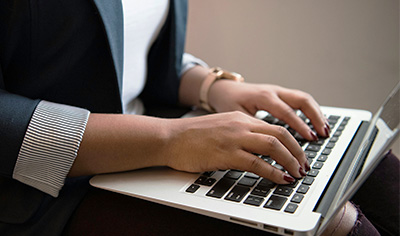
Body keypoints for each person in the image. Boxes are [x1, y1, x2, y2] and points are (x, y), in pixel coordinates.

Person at [0, 1, 397, 235]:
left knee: (368, 161)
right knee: (333, 223)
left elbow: (135, 58)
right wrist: (169, 138)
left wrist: (212, 86)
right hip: (49, 190)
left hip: (158, 139)